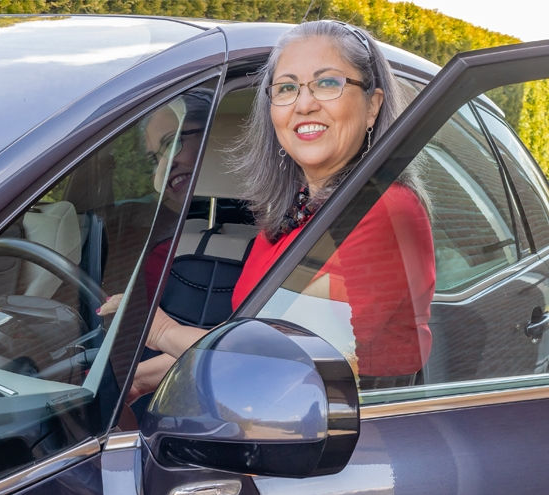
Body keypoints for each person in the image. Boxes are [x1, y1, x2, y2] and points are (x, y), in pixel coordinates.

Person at [102, 20, 435, 399]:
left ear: (373, 106)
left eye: (328, 83)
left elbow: (282, 362)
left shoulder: (384, 210)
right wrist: (136, 382)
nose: (304, 103)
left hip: (353, 440)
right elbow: (253, 332)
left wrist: (161, 332)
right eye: (287, 88)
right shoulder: (292, 213)